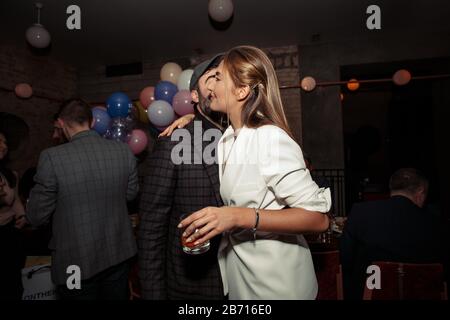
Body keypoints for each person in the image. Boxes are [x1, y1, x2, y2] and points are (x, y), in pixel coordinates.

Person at [178, 46, 331, 299]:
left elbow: (318, 219)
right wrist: (187, 121)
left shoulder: (270, 138)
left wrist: (239, 217)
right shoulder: (228, 138)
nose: (209, 86)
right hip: (244, 279)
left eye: (217, 77)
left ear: (241, 91)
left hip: (278, 284)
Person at [26, 99, 139, 300]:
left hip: (74, 263)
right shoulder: (122, 150)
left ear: (61, 123)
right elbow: (130, 195)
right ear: (93, 121)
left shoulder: (52, 157)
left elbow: (36, 216)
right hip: (117, 254)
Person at [138, 55, 226, 300]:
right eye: (212, 78)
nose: (219, 84)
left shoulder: (244, 137)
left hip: (244, 285)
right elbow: (151, 228)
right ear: (195, 96)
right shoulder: (173, 141)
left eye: (223, 78)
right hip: (194, 286)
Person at [340, 168, 447, 300]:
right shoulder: (435, 224)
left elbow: (345, 259)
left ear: (392, 188)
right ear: (421, 192)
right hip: (420, 293)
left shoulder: (361, 212)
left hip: (372, 292)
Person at [0, 167, 26, 300]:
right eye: (1, 144)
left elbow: (15, 200)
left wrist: (22, 215)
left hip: (10, 235)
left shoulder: (10, 174)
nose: (4, 146)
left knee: (13, 288)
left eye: (6, 144)